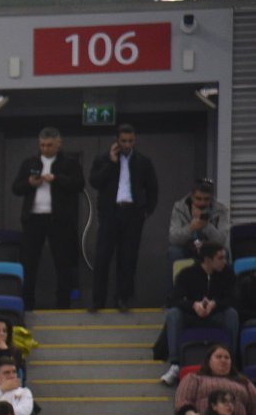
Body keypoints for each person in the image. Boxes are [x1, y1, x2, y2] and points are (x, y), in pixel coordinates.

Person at [12, 127, 86, 309]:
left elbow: (79, 184)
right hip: (34, 217)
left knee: (63, 263)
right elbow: (16, 188)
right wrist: (30, 183)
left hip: (59, 219)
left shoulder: (69, 163)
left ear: (58, 144)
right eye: (43, 145)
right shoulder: (29, 162)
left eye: (50, 145)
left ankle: (63, 304)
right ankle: (28, 304)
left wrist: (56, 178)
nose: (45, 149)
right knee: (29, 262)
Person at [87, 124, 158, 312]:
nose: (127, 144)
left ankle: (122, 299)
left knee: (127, 258)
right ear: (117, 140)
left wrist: (146, 210)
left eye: (130, 141)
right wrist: (111, 162)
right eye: (123, 141)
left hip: (133, 213)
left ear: (135, 140)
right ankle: (98, 300)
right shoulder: (103, 159)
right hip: (110, 213)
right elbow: (94, 181)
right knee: (102, 257)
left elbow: (152, 188)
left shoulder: (143, 161)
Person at [161, 242, 237, 386]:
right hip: (192, 316)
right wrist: (193, 305)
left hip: (215, 315)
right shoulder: (187, 274)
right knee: (173, 314)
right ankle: (175, 364)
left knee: (231, 314)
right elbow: (173, 299)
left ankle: (231, 360)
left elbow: (233, 298)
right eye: (220, 258)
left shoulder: (227, 273)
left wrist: (215, 304)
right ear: (208, 260)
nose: (224, 262)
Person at [166, 179, 229, 262]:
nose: (202, 203)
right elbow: (173, 239)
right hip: (187, 247)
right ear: (192, 197)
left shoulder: (220, 210)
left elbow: (221, 241)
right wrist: (191, 228)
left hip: (210, 248)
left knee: (223, 253)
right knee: (174, 252)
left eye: (206, 199)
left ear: (211, 198)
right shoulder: (179, 208)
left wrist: (205, 225)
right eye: (198, 199)